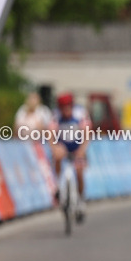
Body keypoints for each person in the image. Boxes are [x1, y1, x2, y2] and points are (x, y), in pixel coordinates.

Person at [51, 92, 91, 222]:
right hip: (63, 145)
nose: (66, 111)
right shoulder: (55, 115)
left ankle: (80, 200)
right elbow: (50, 134)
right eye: (63, 108)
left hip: (77, 146)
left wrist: (81, 150)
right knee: (56, 158)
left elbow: (87, 135)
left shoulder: (80, 114)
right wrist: (55, 148)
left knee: (79, 172)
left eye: (68, 107)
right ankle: (58, 185)